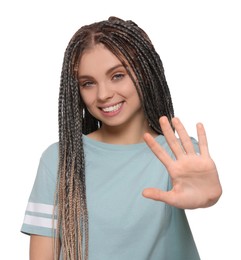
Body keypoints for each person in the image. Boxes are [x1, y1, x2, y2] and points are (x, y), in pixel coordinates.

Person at [21, 16, 222, 260]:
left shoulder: (179, 155)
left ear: (145, 73)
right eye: (88, 83)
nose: (104, 94)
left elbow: (203, 190)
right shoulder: (60, 160)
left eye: (117, 75)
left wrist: (209, 196)